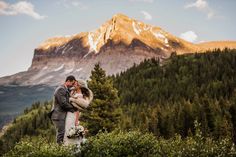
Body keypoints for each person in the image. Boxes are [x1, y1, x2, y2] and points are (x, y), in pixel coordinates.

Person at [64, 79, 93, 148]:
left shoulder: (79, 96)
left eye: (75, 83)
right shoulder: (74, 93)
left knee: (69, 131)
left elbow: (77, 110)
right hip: (69, 115)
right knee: (68, 132)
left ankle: (71, 149)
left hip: (72, 116)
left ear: (79, 85)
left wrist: (76, 121)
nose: (73, 84)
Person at [49, 75, 77, 144]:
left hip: (61, 115)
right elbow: (63, 103)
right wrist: (73, 109)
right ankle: (59, 150)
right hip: (58, 115)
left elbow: (68, 92)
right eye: (72, 83)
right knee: (61, 132)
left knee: (62, 132)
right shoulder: (61, 89)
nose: (72, 85)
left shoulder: (65, 89)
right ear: (68, 81)